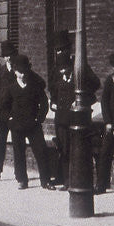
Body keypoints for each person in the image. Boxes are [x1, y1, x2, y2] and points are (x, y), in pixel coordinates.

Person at [1, 54, 55, 191]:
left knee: (41, 151)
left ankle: (46, 180)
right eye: (20, 72)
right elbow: (4, 106)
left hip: (33, 125)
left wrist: (39, 119)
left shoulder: (35, 86)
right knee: (19, 153)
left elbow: (44, 104)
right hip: (17, 126)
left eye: (25, 71)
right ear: (15, 71)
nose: (23, 74)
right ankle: (22, 180)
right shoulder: (11, 88)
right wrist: (10, 120)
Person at [95, 51, 114, 194]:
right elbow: (104, 102)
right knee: (105, 153)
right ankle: (102, 185)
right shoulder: (109, 81)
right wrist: (108, 122)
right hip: (112, 123)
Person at [48, 33, 75, 189]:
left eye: (62, 50)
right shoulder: (56, 70)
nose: (59, 53)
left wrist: (79, 100)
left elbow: (93, 83)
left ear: (68, 50)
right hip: (60, 116)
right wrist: (53, 101)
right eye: (57, 51)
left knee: (70, 148)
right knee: (62, 147)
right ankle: (62, 178)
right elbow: (52, 88)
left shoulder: (77, 67)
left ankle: (69, 179)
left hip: (73, 116)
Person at [0, 40, 16, 182]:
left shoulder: (18, 70)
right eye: (6, 55)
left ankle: (19, 173)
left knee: (18, 142)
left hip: (16, 112)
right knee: (0, 143)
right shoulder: (0, 71)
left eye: (10, 55)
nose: (8, 58)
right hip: (3, 112)